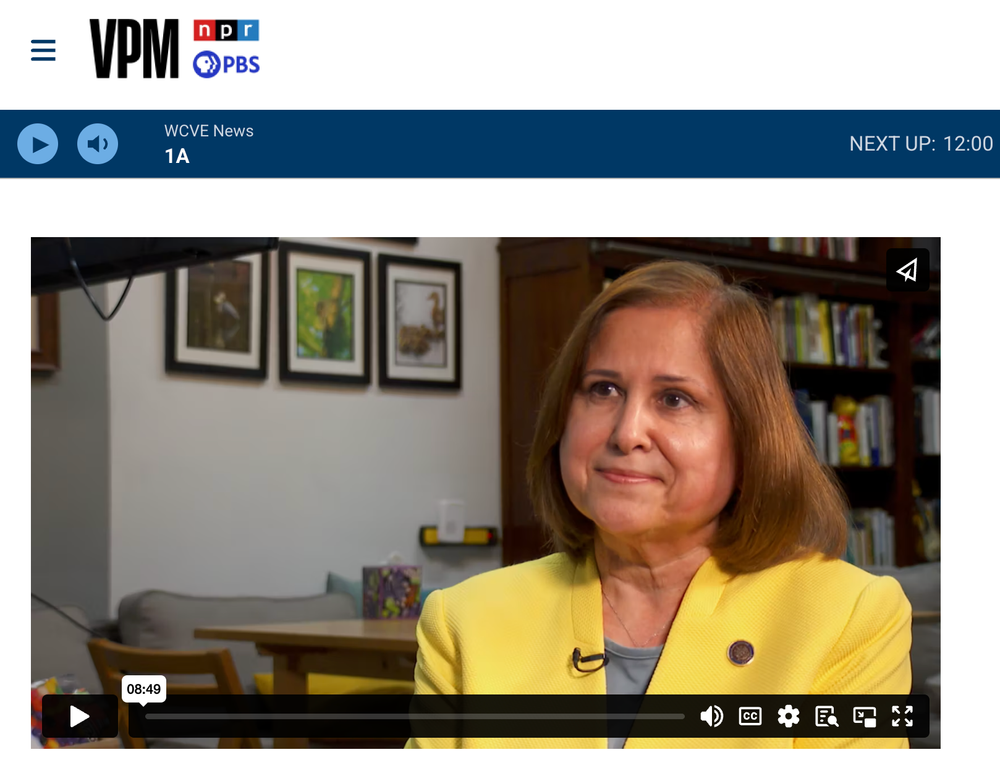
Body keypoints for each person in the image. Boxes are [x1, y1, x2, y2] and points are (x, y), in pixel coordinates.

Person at [404, 260, 912, 749]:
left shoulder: (849, 617)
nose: (627, 433)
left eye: (674, 399)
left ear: (749, 439)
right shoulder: (463, 621)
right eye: (603, 389)